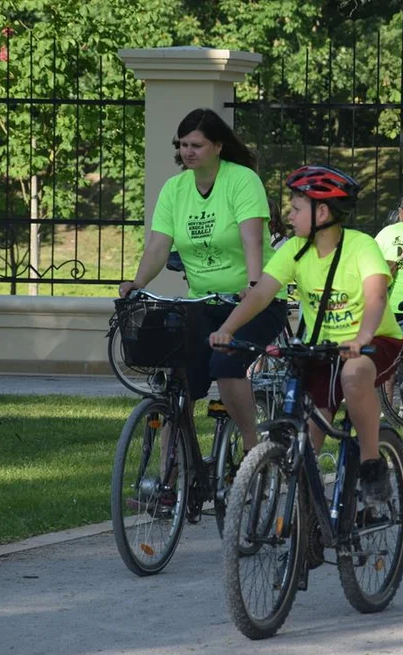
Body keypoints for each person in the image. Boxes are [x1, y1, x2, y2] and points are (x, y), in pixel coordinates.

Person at [210, 165, 403, 504]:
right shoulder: (295, 249)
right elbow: (260, 295)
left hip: (374, 341)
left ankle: (372, 464)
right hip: (321, 347)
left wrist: (362, 338)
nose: (289, 214)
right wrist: (227, 329)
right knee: (306, 440)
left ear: (323, 212)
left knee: (354, 375)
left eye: (297, 208)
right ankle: (307, 523)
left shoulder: (362, 247)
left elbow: (376, 297)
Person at [119, 108, 286, 454]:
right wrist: (136, 283)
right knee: (177, 383)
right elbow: (158, 246)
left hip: (253, 303)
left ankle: (252, 451)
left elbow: (251, 239)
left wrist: (254, 286)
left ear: (218, 146)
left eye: (196, 144)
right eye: (182, 145)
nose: (187, 152)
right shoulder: (175, 190)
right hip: (201, 304)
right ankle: (172, 477)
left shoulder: (241, 180)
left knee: (225, 364)